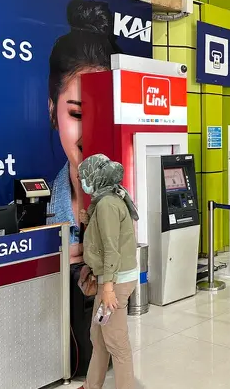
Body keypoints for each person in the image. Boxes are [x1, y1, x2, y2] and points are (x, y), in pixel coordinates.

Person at [46, 0, 121, 266]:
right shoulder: (33, 215)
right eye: (77, 114)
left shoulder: (128, 198)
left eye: (102, 116)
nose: (90, 133)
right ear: (53, 110)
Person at [80, 154, 139, 389]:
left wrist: (107, 288)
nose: (83, 180)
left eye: (85, 175)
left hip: (114, 282)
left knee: (116, 342)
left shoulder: (106, 204)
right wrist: (90, 218)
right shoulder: (110, 196)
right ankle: (92, 384)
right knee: (99, 336)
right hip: (111, 278)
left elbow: (111, 249)